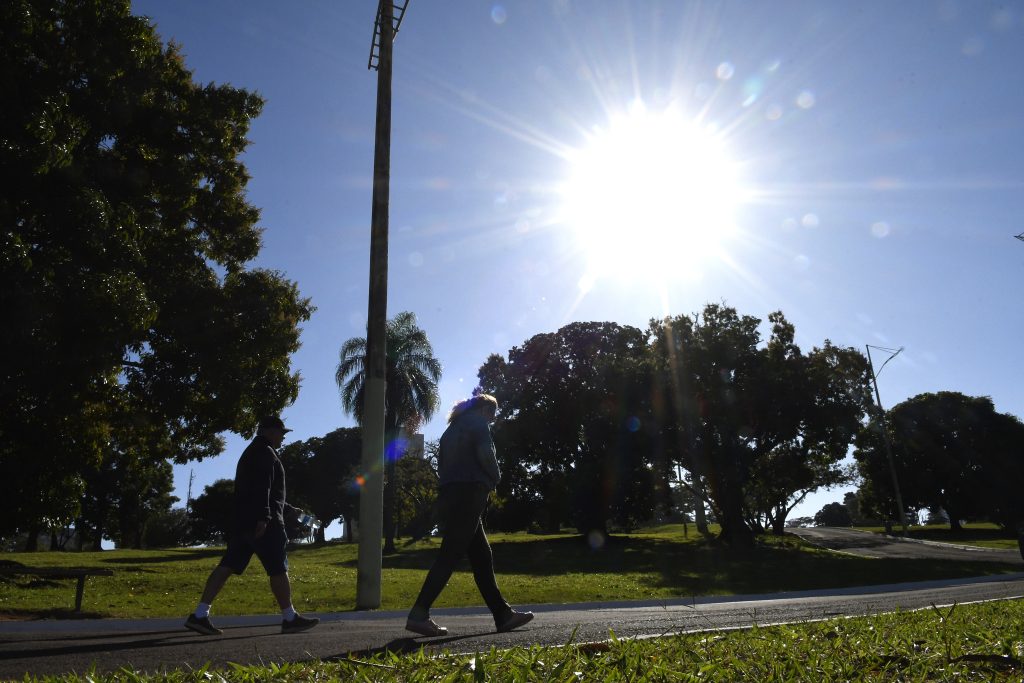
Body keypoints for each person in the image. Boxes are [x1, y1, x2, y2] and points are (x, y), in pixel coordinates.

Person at [405, 394, 534, 637]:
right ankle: (419, 614)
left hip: (452, 493)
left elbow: (443, 467)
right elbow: (486, 454)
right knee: (450, 554)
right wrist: (495, 479)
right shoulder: (478, 423)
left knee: (482, 557)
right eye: (492, 414)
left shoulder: (450, 430)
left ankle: (503, 615)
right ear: (485, 409)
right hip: (471, 492)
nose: (493, 420)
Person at [184, 416, 320, 635]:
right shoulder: (265, 453)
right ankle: (289, 617)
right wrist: (266, 517)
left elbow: (263, 491)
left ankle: (199, 615)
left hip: (243, 522)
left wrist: (287, 509)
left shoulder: (252, 452)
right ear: (268, 431)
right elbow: (262, 488)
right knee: (278, 567)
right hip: (264, 524)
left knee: (227, 565)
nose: (283, 437)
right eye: (281, 432)